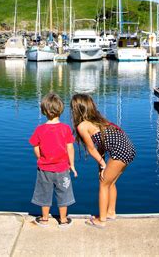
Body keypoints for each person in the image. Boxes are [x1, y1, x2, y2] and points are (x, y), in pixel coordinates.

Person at [70, 93, 136, 229]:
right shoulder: (98, 121)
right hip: (128, 149)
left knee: (103, 184)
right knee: (110, 182)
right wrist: (102, 167)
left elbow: (91, 149)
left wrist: (103, 163)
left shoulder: (82, 126)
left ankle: (102, 220)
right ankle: (111, 212)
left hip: (119, 152)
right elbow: (101, 146)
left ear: (77, 110)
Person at [29, 92, 77, 228]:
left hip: (44, 168)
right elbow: (70, 148)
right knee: (64, 193)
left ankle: (44, 219)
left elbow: (36, 147)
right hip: (62, 168)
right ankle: (63, 220)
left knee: (44, 193)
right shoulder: (66, 129)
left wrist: (40, 158)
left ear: (44, 111)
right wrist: (72, 165)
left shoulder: (40, 130)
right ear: (60, 110)